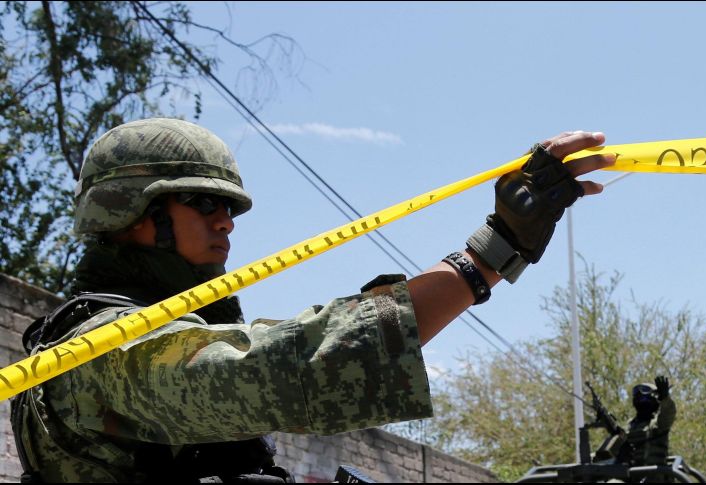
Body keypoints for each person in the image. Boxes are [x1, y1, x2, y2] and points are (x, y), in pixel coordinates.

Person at [11, 118, 615, 482]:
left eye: (230, 207)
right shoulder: (101, 349)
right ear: (131, 214)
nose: (226, 222)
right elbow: (291, 369)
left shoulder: (157, 331)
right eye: (202, 203)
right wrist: (488, 254)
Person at [621, 376, 677, 480]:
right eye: (637, 398)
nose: (641, 401)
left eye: (644, 398)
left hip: (655, 477)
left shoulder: (658, 424)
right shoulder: (629, 427)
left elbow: (668, 413)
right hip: (632, 477)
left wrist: (665, 397)